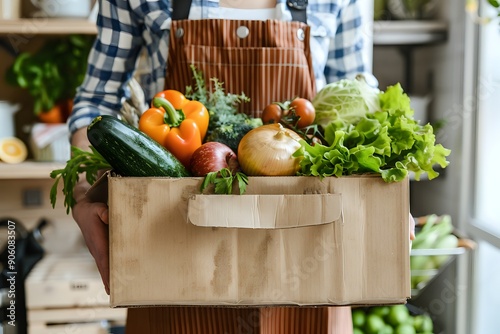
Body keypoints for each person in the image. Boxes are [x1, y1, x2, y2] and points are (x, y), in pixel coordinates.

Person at [68, 0, 413, 332]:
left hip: (308, 259)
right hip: (174, 250)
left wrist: (382, 197)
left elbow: (361, 108)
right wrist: (84, 195)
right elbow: (96, 102)